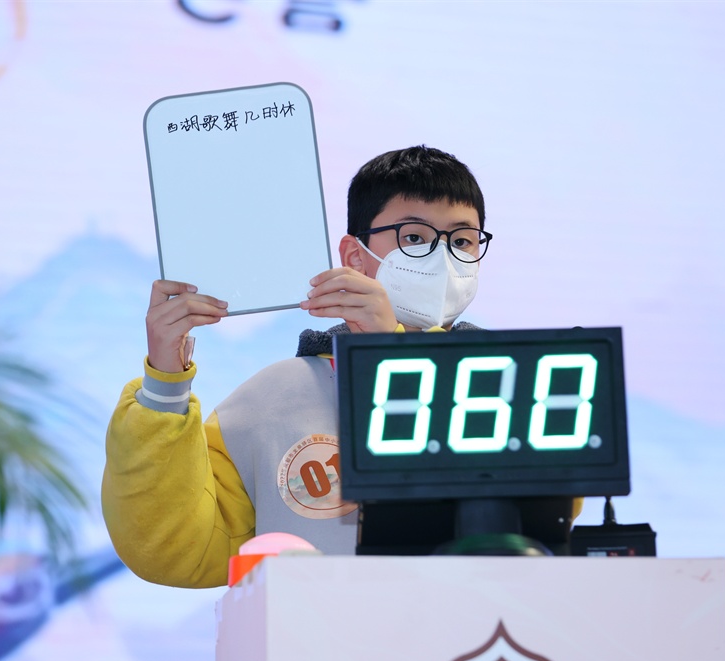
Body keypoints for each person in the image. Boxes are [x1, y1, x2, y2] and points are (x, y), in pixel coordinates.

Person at [103, 146, 497, 589]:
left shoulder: (508, 386)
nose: (443, 257)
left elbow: (526, 524)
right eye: (414, 238)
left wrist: (392, 357)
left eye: (462, 241)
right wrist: (164, 382)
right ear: (355, 257)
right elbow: (177, 551)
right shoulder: (277, 397)